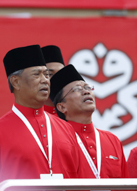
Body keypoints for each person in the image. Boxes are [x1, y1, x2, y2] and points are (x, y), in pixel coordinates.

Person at [0, 45, 85, 181]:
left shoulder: (66, 128)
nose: (45, 80)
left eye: (46, 74)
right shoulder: (2, 130)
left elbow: (78, 181)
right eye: (36, 74)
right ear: (16, 82)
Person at [50, 64, 129, 179]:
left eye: (88, 88)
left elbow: (126, 185)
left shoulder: (112, 140)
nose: (86, 92)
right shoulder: (56, 141)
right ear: (62, 107)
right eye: (77, 89)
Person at [41, 45, 65, 116]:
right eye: (49, 74)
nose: (57, 78)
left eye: (61, 73)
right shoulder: (27, 118)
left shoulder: (74, 116)